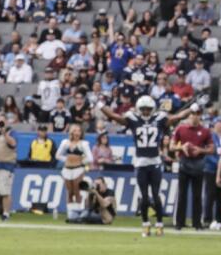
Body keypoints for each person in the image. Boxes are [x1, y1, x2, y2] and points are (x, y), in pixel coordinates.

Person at [101, 94, 175, 237]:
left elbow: (176, 118)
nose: (146, 112)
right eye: (144, 109)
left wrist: (192, 109)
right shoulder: (133, 119)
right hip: (141, 162)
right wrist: (100, 106)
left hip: (154, 161)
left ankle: (159, 225)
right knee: (144, 197)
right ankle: (145, 224)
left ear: (152, 109)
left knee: (156, 195)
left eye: (148, 109)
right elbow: (114, 116)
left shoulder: (159, 118)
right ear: (139, 109)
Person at [170, 106, 212, 230]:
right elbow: (171, 147)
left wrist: (200, 150)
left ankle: (197, 223)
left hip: (198, 164)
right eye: (193, 113)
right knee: (182, 195)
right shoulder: (181, 129)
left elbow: (212, 149)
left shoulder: (205, 131)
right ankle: (179, 223)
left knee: (197, 195)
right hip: (184, 163)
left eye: (197, 113)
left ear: (200, 115)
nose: (195, 115)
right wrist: (181, 147)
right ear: (189, 115)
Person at [55, 123, 95, 222]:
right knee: (69, 192)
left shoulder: (83, 144)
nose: (77, 132)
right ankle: (70, 213)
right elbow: (58, 155)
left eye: (79, 131)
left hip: (78, 169)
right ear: (71, 132)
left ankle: (77, 214)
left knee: (77, 191)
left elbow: (90, 158)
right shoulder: (65, 142)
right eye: (75, 130)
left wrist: (81, 161)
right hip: (67, 169)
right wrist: (67, 160)